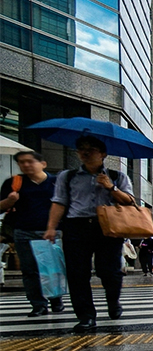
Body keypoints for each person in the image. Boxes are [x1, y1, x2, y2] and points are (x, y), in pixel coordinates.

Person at [43, 135, 135, 332]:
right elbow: (59, 202)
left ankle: (113, 301)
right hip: (76, 226)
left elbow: (129, 201)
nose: (85, 152)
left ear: (102, 154)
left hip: (108, 227)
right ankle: (86, 316)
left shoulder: (117, 176)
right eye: (81, 149)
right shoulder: (67, 176)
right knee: (77, 273)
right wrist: (51, 227)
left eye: (91, 149)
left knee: (109, 271)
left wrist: (111, 187)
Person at [0, 149, 65, 317]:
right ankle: (38, 304)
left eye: (30, 161)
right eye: (21, 162)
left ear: (43, 164)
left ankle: (56, 299)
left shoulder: (56, 182)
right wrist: (10, 201)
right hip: (24, 231)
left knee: (53, 268)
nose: (26, 165)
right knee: (30, 270)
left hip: (52, 232)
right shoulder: (14, 183)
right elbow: (1, 206)